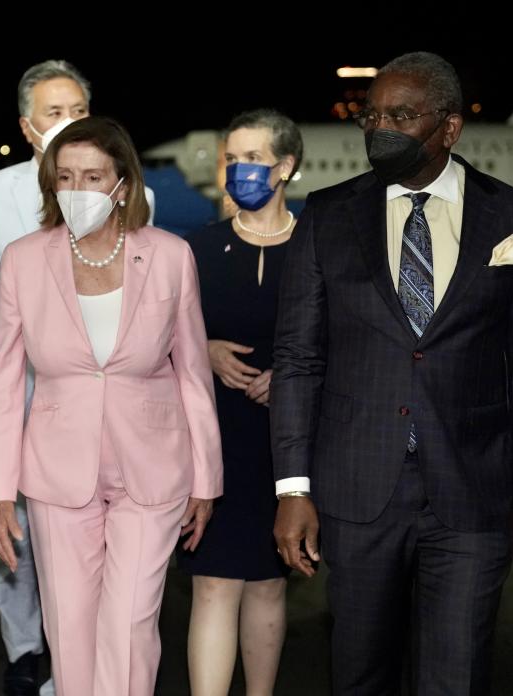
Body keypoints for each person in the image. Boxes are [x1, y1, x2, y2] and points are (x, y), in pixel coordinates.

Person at [271, 51, 513, 695]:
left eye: (402, 115)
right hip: (358, 490)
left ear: (448, 127)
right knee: (360, 675)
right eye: (373, 114)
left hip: (474, 490)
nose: (380, 127)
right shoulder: (328, 216)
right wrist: (293, 488)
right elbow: (299, 361)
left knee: (456, 677)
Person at [0, 116, 223, 696]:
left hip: (154, 465)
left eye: (93, 176)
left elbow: (192, 370)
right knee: (69, 623)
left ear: (123, 184)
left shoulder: (169, 256)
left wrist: (206, 478)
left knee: (131, 620)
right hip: (56, 470)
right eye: (64, 176)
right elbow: (4, 382)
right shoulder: (23, 259)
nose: (77, 189)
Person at [0, 58, 92, 696]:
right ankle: (24, 647)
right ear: (27, 125)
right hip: (20, 392)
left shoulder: (126, 191)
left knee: (83, 529)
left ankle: (77, 650)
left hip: (94, 397)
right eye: (54, 113)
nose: (67, 124)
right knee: (18, 532)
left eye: (79, 112)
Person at [178, 109, 302, 696]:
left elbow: (347, 342)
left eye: (253, 158)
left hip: (288, 440)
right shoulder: (195, 250)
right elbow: (158, 336)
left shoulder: (318, 249)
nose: (238, 169)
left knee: (269, 584)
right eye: (232, 157)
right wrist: (199, 351)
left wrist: (293, 377)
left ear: (286, 167)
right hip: (212, 438)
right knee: (213, 582)